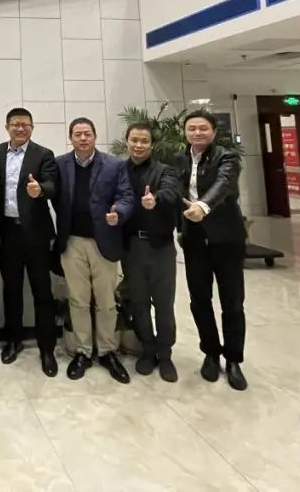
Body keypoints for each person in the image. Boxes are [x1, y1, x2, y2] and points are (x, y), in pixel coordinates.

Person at [52, 117, 134, 383]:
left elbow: (126, 196)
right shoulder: (60, 164)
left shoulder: (114, 165)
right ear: (71, 138)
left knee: (106, 301)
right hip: (72, 242)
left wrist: (119, 213)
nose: (83, 138)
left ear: (95, 136)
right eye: (78, 134)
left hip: (104, 242)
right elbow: (52, 194)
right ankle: (83, 351)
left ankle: (107, 351)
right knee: (78, 299)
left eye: (87, 133)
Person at [176, 109, 248, 391]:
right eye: (192, 128)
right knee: (199, 299)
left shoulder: (226, 157)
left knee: (232, 301)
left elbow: (224, 185)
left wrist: (203, 207)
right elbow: (174, 192)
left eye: (203, 128)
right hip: (194, 240)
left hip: (226, 239)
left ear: (213, 132)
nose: (197, 133)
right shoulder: (179, 159)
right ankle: (210, 352)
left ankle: (234, 359)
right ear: (185, 133)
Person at [0, 107, 60, 377]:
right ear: (7, 127)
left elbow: (52, 184)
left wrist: (40, 190)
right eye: (15, 124)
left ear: (32, 127)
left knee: (43, 292)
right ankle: (13, 340)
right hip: (7, 233)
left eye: (25, 125)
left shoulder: (44, 154)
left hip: (36, 235)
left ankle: (47, 348)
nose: (20, 129)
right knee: (12, 290)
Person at [121, 122, 182, 382]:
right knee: (139, 302)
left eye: (144, 141)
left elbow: (171, 192)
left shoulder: (165, 170)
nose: (139, 145)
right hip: (131, 247)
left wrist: (155, 199)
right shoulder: (119, 170)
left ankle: (165, 353)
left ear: (152, 145)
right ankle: (147, 349)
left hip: (160, 247)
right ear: (127, 142)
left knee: (164, 303)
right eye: (134, 140)